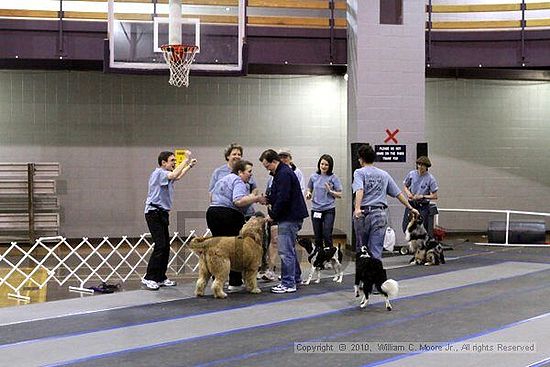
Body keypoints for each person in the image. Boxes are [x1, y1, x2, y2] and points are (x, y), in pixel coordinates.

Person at [352, 144, 419, 260]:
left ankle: (363, 277)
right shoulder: (384, 174)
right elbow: (398, 193)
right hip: (380, 214)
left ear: (361, 159)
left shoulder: (359, 172)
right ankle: (377, 276)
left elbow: (360, 189)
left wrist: (357, 208)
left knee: (362, 249)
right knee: (376, 249)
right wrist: (410, 207)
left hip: (363, 213)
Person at [142, 150, 197, 290]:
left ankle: (160, 277)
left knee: (166, 246)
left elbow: (177, 177)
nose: (174, 163)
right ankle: (149, 277)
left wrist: (189, 166)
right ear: (163, 163)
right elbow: (174, 174)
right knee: (160, 245)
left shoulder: (166, 175)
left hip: (162, 213)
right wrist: (184, 160)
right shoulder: (159, 173)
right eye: (172, 160)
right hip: (153, 213)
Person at [206, 159, 264, 291]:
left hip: (212, 213)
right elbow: (238, 201)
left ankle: (217, 282)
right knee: (235, 248)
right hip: (228, 215)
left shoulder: (223, 179)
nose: (250, 174)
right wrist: (256, 198)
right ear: (240, 172)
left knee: (218, 248)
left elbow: (211, 197)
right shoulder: (238, 181)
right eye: (249, 172)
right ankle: (235, 281)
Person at [259, 149, 308, 294]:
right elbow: (278, 195)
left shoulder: (284, 174)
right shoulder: (281, 172)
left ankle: (288, 283)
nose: (267, 169)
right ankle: (295, 278)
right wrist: (267, 199)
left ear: (274, 161)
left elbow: (283, 198)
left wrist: (273, 215)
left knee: (285, 251)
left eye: (268, 166)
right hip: (290, 216)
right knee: (290, 250)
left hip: (289, 217)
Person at [209, 143, 258, 219]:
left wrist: (251, 197)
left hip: (246, 212)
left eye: (239, 154)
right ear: (228, 156)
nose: (237, 156)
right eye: (234, 154)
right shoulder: (219, 172)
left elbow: (254, 188)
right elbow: (212, 193)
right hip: (227, 212)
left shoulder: (246, 171)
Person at [305, 154, 343, 248]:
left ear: (330, 166)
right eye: (322, 164)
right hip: (316, 209)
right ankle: (319, 257)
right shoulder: (314, 176)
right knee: (318, 236)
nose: (323, 166)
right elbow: (309, 188)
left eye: (326, 165)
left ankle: (329, 256)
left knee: (327, 234)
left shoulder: (334, 178)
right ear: (319, 164)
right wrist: (308, 194)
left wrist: (330, 191)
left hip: (328, 209)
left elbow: (340, 194)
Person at [401, 156, 439, 236]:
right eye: (419, 165)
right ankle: (411, 245)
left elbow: (435, 195)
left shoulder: (430, 179)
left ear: (426, 167)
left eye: (422, 165)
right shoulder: (411, 174)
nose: (420, 167)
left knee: (421, 229)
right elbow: (405, 185)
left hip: (423, 206)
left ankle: (420, 246)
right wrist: (408, 193)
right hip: (411, 204)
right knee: (405, 226)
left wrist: (423, 196)